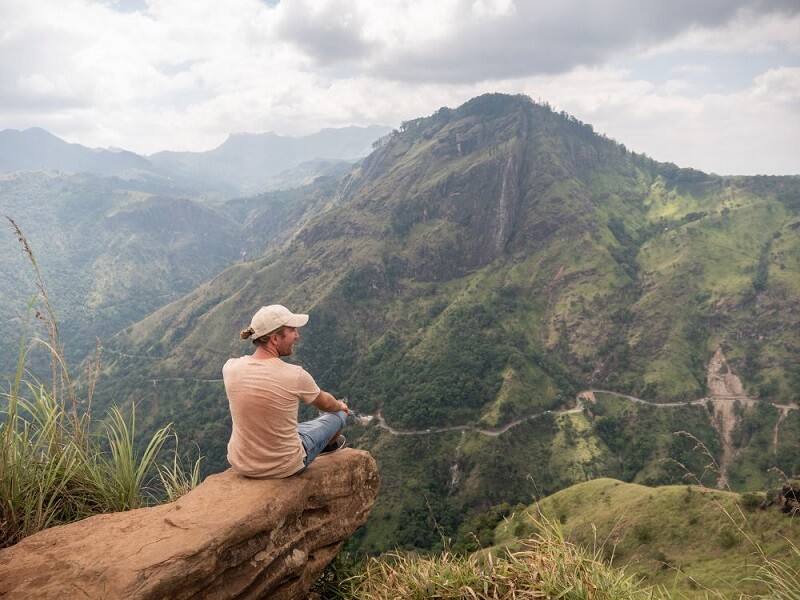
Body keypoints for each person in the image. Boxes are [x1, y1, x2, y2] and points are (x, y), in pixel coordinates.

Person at [223, 304, 348, 478]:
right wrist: (340, 405)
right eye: (293, 331)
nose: (297, 335)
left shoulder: (230, 367)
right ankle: (326, 446)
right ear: (275, 338)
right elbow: (327, 404)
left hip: (241, 463)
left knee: (292, 427)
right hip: (284, 465)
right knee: (338, 415)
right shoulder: (294, 375)